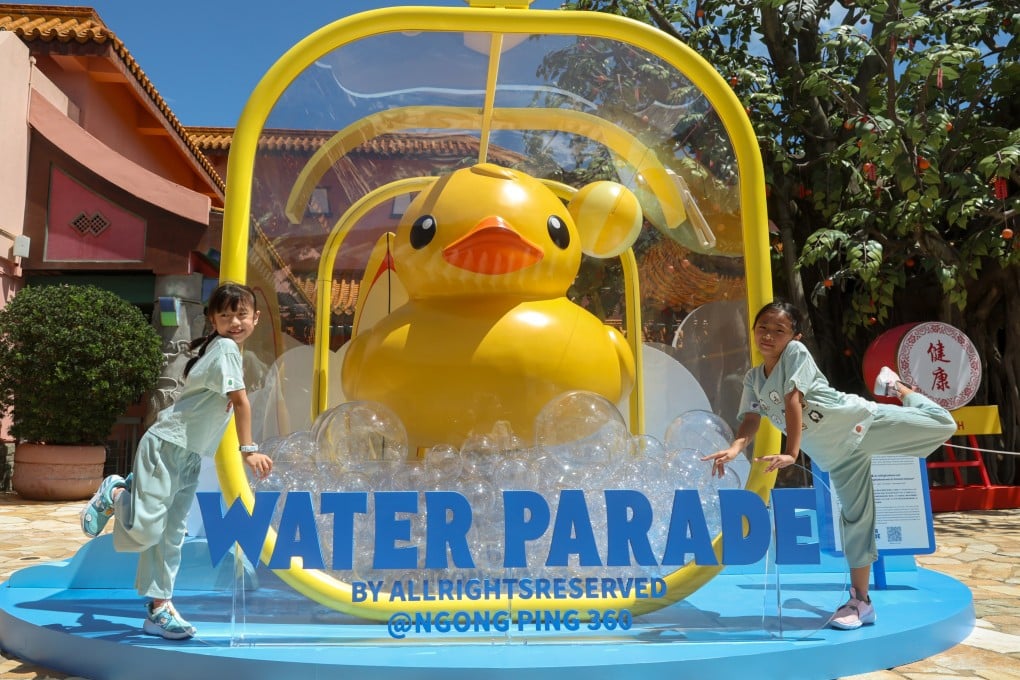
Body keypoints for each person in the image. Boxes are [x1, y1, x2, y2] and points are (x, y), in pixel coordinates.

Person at [702, 300, 957, 630]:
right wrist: (736, 447)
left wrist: (792, 453)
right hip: (837, 456)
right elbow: (751, 417)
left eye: (778, 330)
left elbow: (794, 399)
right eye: (762, 327)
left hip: (860, 425)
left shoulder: (795, 353)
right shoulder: (753, 378)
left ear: (795, 336)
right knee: (856, 522)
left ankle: (896, 386)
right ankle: (861, 602)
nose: (768, 335)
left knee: (944, 423)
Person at [80, 282, 274, 640]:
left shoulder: (222, 352)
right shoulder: (227, 348)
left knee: (170, 537)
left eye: (242, 314)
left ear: (255, 318)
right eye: (226, 314)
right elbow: (243, 403)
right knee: (144, 530)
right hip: (166, 445)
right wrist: (250, 452)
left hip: (187, 456)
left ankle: (159, 608)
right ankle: (118, 492)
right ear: (213, 319)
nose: (235, 321)